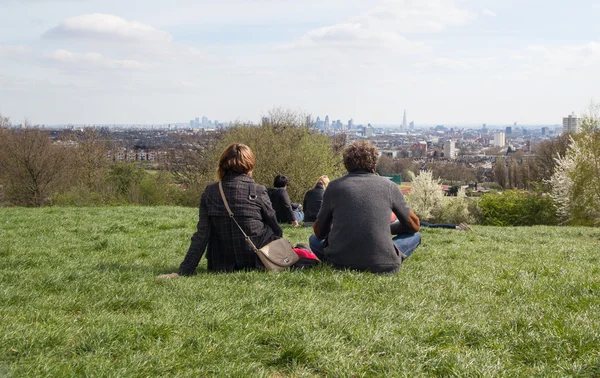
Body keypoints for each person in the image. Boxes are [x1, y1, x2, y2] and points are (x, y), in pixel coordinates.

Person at [158, 143, 283, 278]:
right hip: (258, 260)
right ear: (250, 165)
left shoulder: (211, 192)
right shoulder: (258, 190)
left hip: (221, 264)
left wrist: (185, 271)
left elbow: (202, 235)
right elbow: (275, 227)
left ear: (223, 165)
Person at [309, 141, 421, 274]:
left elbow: (319, 232)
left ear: (346, 163)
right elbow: (413, 225)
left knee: (313, 239)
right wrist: (386, 228)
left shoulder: (334, 187)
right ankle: (387, 255)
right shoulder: (389, 186)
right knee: (416, 235)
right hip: (384, 264)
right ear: (374, 163)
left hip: (338, 262)